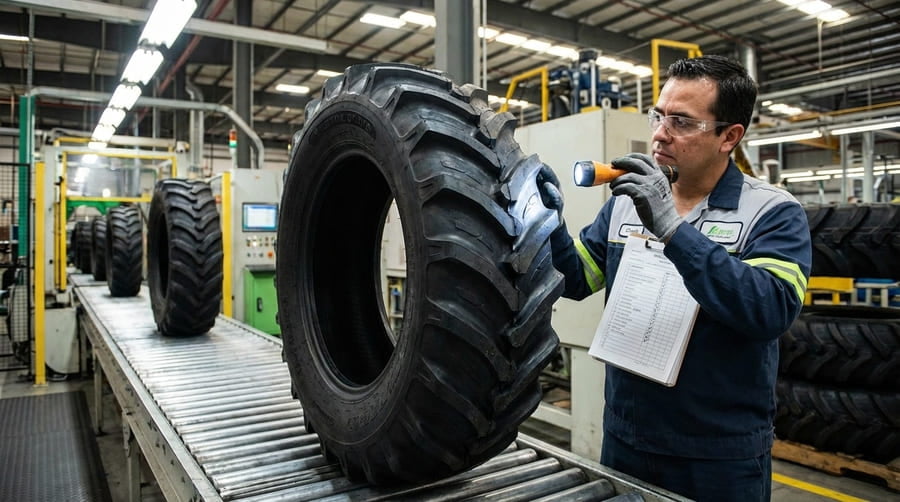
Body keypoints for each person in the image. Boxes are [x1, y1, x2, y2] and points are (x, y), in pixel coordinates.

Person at [537, 55, 811, 501]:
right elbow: (578, 279)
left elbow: (769, 309)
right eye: (659, 115)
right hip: (625, 439)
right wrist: (547, 224)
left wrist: (672, 230)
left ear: (729, 136)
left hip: (717, 457)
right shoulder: (625, 204)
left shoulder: (772, 212)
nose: (661, 133)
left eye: (682, 122)